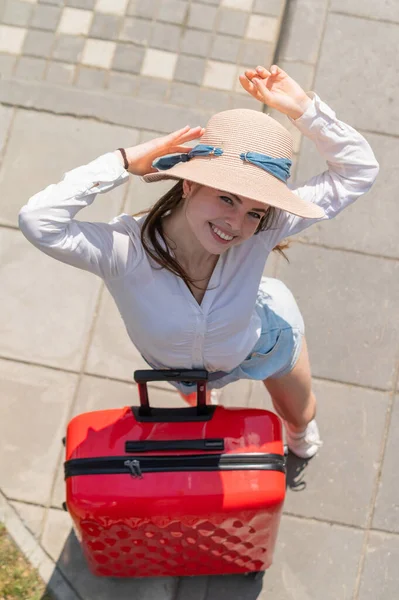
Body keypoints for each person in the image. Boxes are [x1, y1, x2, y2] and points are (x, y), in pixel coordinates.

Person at [18, 65, 379, 459]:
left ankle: (298, 432)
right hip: (185, 372)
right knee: (211, 422)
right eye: (227, 198)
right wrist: (121, 162)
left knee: (300, 412)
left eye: (254, 212)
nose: (236, 224)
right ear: (188, 184)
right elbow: (39, 222)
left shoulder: (264, 229)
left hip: (264, 339)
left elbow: (358, 171)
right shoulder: (123, 250)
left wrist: (304, 110)